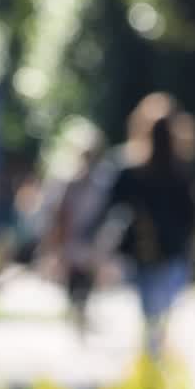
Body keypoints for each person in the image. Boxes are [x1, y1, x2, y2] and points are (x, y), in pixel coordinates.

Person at [105, 94, 195, 359]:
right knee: (158, 312)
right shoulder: (162, 169)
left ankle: (153, 358)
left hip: (154, 251)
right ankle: (153, 359)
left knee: (154, 312)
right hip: (156, 251)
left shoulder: (142, 168)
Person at [36, 119, 116, 336]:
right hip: (70, 241)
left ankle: (81, 311)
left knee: (85, 280)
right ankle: (77, 311)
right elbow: (56, 215)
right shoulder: (64, 179)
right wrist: (53, 247)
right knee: (74, 281)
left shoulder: (103, 181)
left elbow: (105, 213)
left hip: (91, 240)